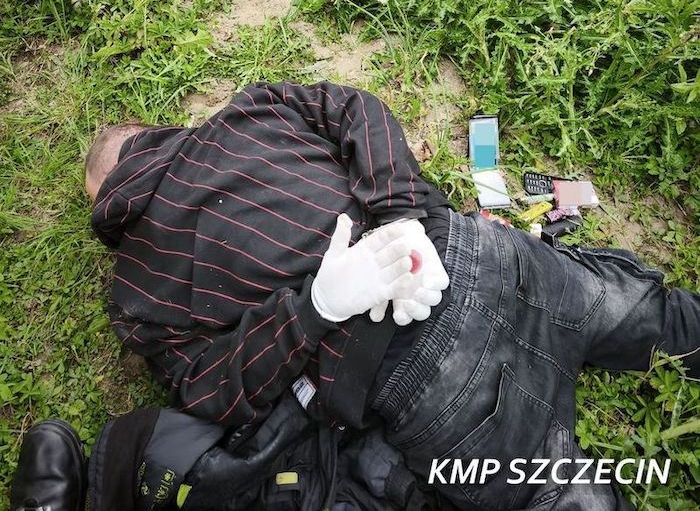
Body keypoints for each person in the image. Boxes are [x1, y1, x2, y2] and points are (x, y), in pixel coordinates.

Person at [11, 81, 700, 510]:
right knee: (651, 316)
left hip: (421, 375)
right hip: (478, 254)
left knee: (557, 494)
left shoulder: (135, 290)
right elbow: (357, 109)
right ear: (157, 136)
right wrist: (402, 215)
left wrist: (312, 311)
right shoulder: (248, 110)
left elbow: (212, 390)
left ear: (106, 213)